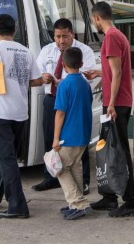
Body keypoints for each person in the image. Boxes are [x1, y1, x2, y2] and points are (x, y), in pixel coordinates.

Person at [0, 14, 43, 219]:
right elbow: (37, 80)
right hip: (20, 113)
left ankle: (17, 205)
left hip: (0, 113)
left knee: (7, 159)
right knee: (7, 157)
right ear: (14, 31)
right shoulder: (26, 51)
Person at [84, 1, 134, 217]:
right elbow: (113, 71)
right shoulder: (119, 36)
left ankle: (132, 202)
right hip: (117, 102)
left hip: (116, 104)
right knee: (107, 151)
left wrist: (110, 104)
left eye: (93, 20)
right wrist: (98, 74)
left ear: (97, 18)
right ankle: (109, 197)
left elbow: (117, 73)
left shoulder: (110, 37)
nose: (94, 23)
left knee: (118, 154)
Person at [33, 18, 95, 193]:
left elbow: (86, 76)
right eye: (58, 37)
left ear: (72, 35)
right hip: (52, 99)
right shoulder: (47, 50)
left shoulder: (84, 51)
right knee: (49, 138)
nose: (61, 41)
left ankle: (83, 181)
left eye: (65, 36)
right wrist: (43, 77)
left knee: (78, 141)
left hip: (75, 101)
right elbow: (37, 72)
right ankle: (50, 177)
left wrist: (65, 82)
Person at [53, 47, 94, 220]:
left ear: (63, 64)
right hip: (84, 134)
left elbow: (60, 113)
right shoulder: (85, 83)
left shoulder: (64, 84)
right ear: (81, 64)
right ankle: (76, 204)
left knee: (60, 168)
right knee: (75, 166)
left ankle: (78, 202)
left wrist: (55, 138)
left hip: (68, 135)